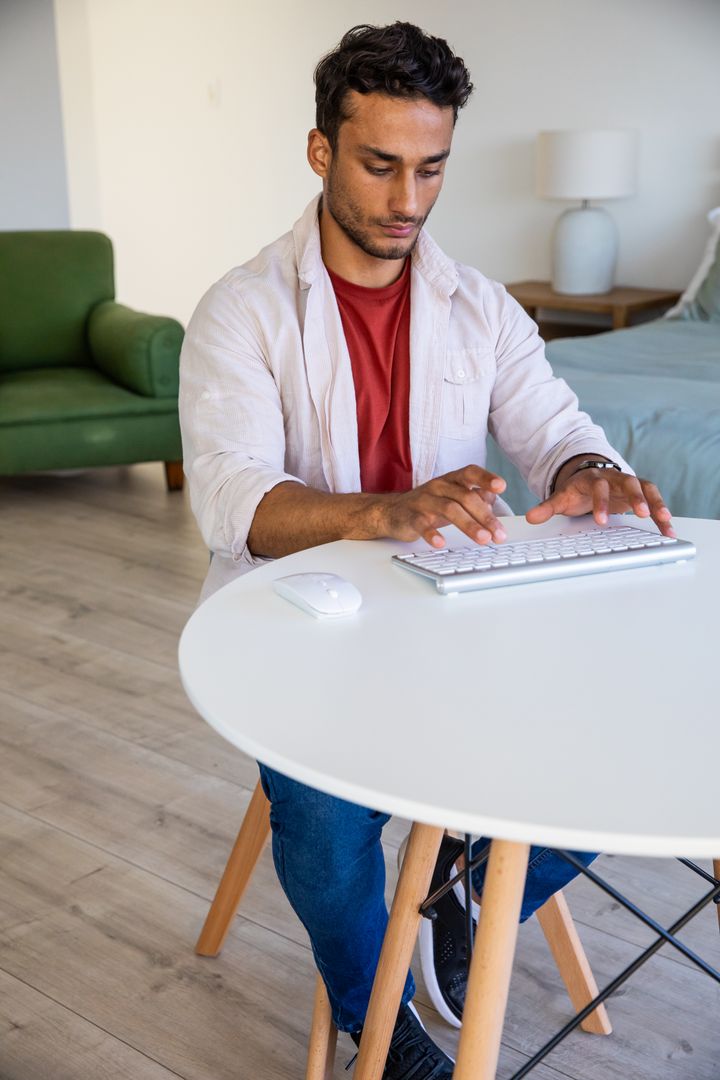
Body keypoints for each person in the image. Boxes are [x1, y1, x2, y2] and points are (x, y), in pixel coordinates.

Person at [179, 21, 674, 1079]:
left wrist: (588, 466)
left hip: (454, 620)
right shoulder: (240, 311)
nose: (409, 199)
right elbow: (234, 507)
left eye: (432, 167)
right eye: (381, 164)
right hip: (299, 626)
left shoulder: (478, 304)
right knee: (317, 813)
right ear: (322, 152)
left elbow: (552, 423)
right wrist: (386, 510)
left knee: (619, 746)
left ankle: (450, 893)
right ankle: (384, 1027)